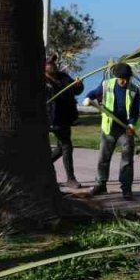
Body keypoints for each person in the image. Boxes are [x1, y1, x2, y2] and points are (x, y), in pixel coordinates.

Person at [85, 63, 140, 200]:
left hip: (125, 129)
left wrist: (132, 125)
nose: (125, 81)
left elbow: (135, 112)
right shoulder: (107, 85)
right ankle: (100, 185)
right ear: (117, 77)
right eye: (122, 79)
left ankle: (126, 189)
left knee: (127, 159)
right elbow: (93, 94)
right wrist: (88, 98)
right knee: (103, 157)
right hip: (109, 128)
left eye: (127, 79)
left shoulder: (134, 90)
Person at [44, 58, 84, 189]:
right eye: (50, 64)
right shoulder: (41, 80)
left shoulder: (64, 76)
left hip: (65, 118)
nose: (53, 65)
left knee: (62, 147)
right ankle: (70, 179)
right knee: (67, 146)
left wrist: (79, 85)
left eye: (54, 63)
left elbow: (76, 91)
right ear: (44, 66)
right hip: (51, 118)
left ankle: (43, 166)